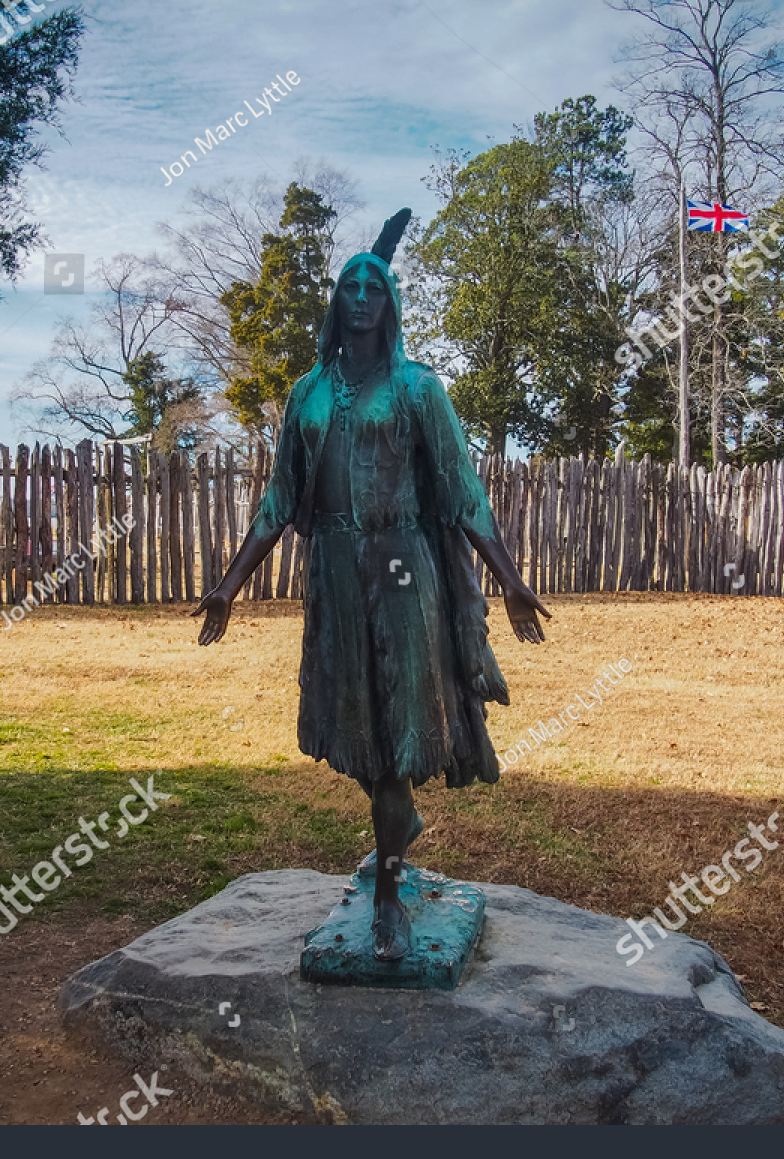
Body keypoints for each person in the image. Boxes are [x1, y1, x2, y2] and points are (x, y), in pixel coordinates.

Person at [195, 210, 548, 961]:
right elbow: (279, 499)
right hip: (334, 575)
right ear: (337, 302)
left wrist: (510, 579)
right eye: (350, 285)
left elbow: (463, 490)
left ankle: (388, 889)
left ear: (389, 304)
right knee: (356, 728)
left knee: (399, 729)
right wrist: (230, 584)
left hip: (402, 569)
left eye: (375, 285)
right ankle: (395, 828)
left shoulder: (419, 388)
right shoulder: (307, 396)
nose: (361, 295)